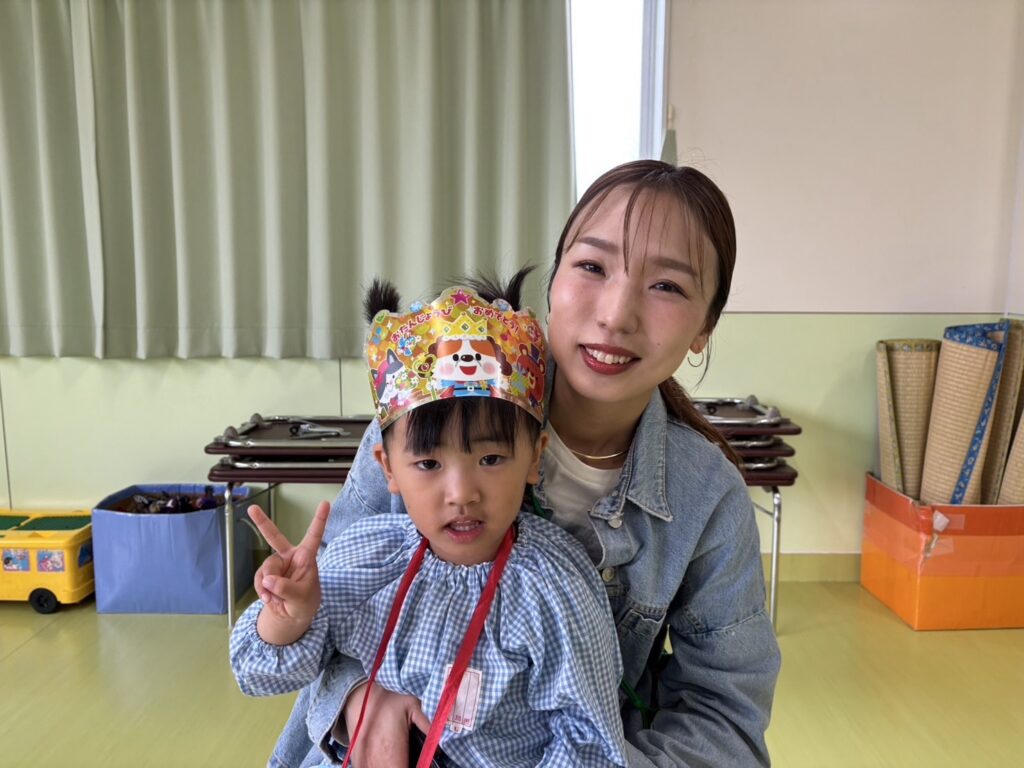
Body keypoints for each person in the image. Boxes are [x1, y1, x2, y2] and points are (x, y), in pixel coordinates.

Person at [262, 159, 782, 768]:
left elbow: (724, 718)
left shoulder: (707, 496)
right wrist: (356, 694)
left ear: (705, 327)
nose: (616, 314)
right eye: (592, 267)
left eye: (667, 286)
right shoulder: (429, 410)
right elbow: (323, 610)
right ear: (554, 283)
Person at [230, 280, 629, 766]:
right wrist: (288, 618)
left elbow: (589, 740)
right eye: (428, 464)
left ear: (533, 459)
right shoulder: (366, 557)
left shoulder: (553, 585)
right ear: (388, 470)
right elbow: (256, 675)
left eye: (491, 458)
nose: (461, 494)